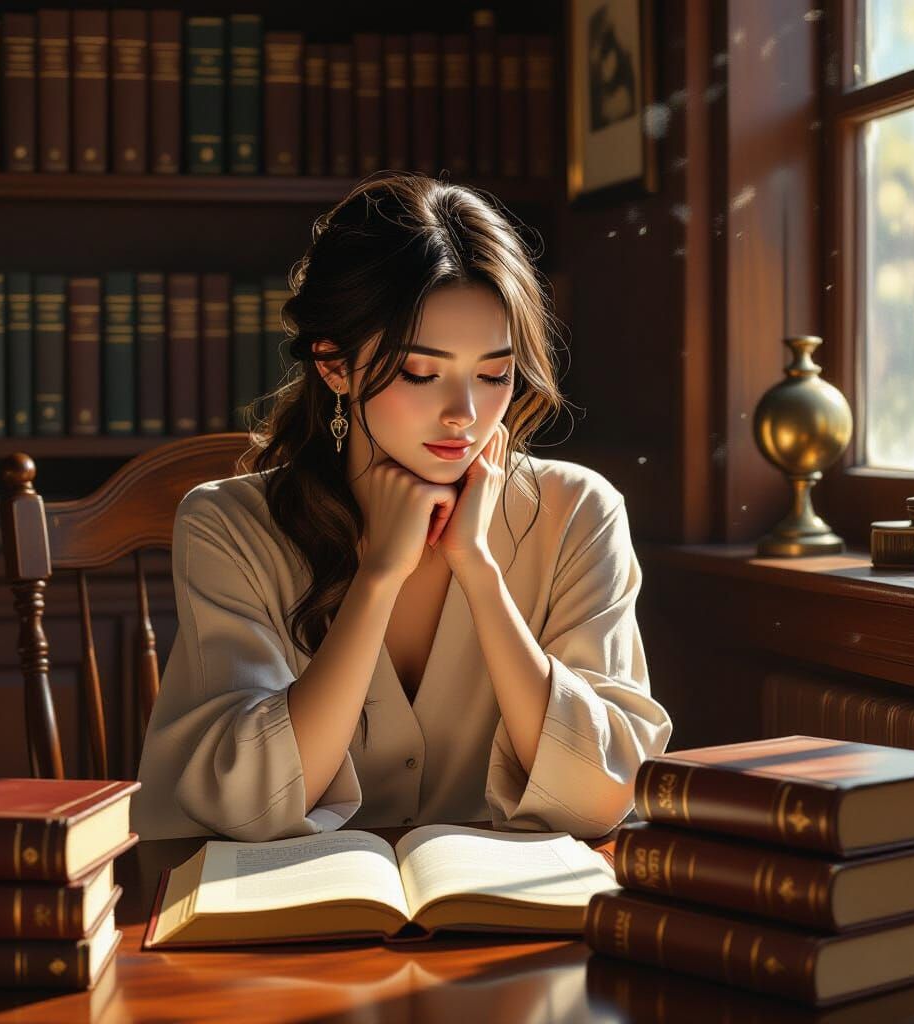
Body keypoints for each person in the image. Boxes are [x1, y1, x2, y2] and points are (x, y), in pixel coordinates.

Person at [129, 171, 672, 842]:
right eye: (421, 373)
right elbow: (249, 805)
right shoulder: (227, 525)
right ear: (333, 364)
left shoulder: (578, 513)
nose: (464, 414)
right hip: (276, 901)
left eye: (494, 374)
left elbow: (601, 796)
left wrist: (478, 570)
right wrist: (378, 577)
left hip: (493, 903)